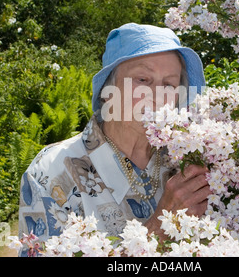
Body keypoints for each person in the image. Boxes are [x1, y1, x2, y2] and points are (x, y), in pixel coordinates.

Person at [18, 23, 211, 254]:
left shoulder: (188, 161)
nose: (157, 96)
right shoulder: (51, 173)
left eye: (169, 84)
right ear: (108, 89)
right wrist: (158, 228)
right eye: (142, 79)